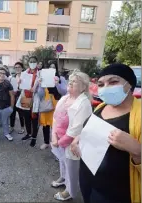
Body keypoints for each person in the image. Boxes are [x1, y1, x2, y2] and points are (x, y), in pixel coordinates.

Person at [71, 64, 141, 203]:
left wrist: (137, 151)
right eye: (101, 84)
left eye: (113, 82)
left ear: (129, 84)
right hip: (89, 183)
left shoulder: (139, 116)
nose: (106, 88)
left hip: (117, 193)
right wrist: (79, 138)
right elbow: (92, 130)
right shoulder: (101, 107)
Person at [50, 70, 92, 201]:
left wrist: (59, 142)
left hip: (71, 143)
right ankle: (63, 179)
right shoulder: (65, 97)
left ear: (84, 87)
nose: (71, 82)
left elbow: (76, 129)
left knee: (72, 169)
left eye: (76, 81)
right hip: (58, 139)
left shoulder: (84, 103)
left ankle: (70, 191)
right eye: (71, 80)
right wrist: (54, 137)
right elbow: (56, 117)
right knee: (62, 162)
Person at [38, 62, 67, 149]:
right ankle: (46, 142)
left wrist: (57, 83)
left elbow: (64, 92)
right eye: (50, 67)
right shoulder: (43, 78)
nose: (52, 69)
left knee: (57, 126)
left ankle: (57, 144)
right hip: (46, 104)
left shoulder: (61, 78)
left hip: (58, 104)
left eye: (54, 67)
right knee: (45, 125)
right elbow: (40, 95)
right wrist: (41, 85)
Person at [17, 56, 40, 147]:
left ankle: (34, 137)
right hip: (26, 97)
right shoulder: (24, 73)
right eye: (31, 61)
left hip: (35, 97)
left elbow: (44, 88)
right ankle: (28, 134)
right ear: (28, 63)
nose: (32, 63)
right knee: (26, 117)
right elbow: (20, 87)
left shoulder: (40, 74)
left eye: (34, 61)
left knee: (34, 118)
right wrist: (19, 83)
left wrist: (37, 87)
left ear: (37, 63)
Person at [9, 62, 25, 134]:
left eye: (19, 67)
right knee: (12, 113)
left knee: (21, 114)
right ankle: (12, 127)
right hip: (13, 97)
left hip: (22, 97)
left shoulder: (25, 76)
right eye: (16, 67)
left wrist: (20, 86)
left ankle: (22, 128)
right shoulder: (12, 77)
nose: (17, 68)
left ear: (22, 68)